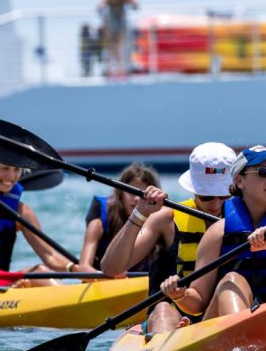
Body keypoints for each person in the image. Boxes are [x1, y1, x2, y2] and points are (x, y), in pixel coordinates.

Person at [158, 146, 266, 321]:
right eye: (263, 172)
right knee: (231, 281)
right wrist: (179, 295)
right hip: (235, 324)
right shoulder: (218, 232)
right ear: (239, 181)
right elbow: (198, 302)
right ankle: (247, 338)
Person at [99, 143, 236, 334]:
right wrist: (140, 213)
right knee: (163, 310)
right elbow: (111, 268)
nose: (215, 204)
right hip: (171, 315)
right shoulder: (165, 219)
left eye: (223, 196)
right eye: (206, 196)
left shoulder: (249, 220)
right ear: (194, 189)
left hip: (220, 312)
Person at [79, 163, 161, 272]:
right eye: (132, 192)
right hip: (102, 281)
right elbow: (83, 267)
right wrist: (109, 279)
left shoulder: (161, 219)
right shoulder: (102, 216)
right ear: (120, 193)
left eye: (143, 194)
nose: (137, 199)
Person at [98, 0, 138, 77]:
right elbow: (100, 6)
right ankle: (111, 69)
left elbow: (135, 5)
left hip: (121, 24)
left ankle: (122, 69)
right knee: (111, 47)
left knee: (123, 46)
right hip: (112, 23)